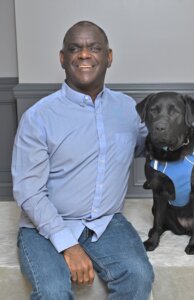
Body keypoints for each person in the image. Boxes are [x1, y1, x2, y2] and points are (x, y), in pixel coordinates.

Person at [11, 21, 154, 300]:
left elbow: (151, 147)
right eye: (75, 48)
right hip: (45, 225)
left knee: (138, 276)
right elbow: (28, 191)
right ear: (63, 58)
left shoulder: (128, 108)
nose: (84, 54)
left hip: (105, 221)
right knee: (53, 292)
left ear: (109, 57)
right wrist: (68, 245)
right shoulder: (39, 118)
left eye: (94, 48)